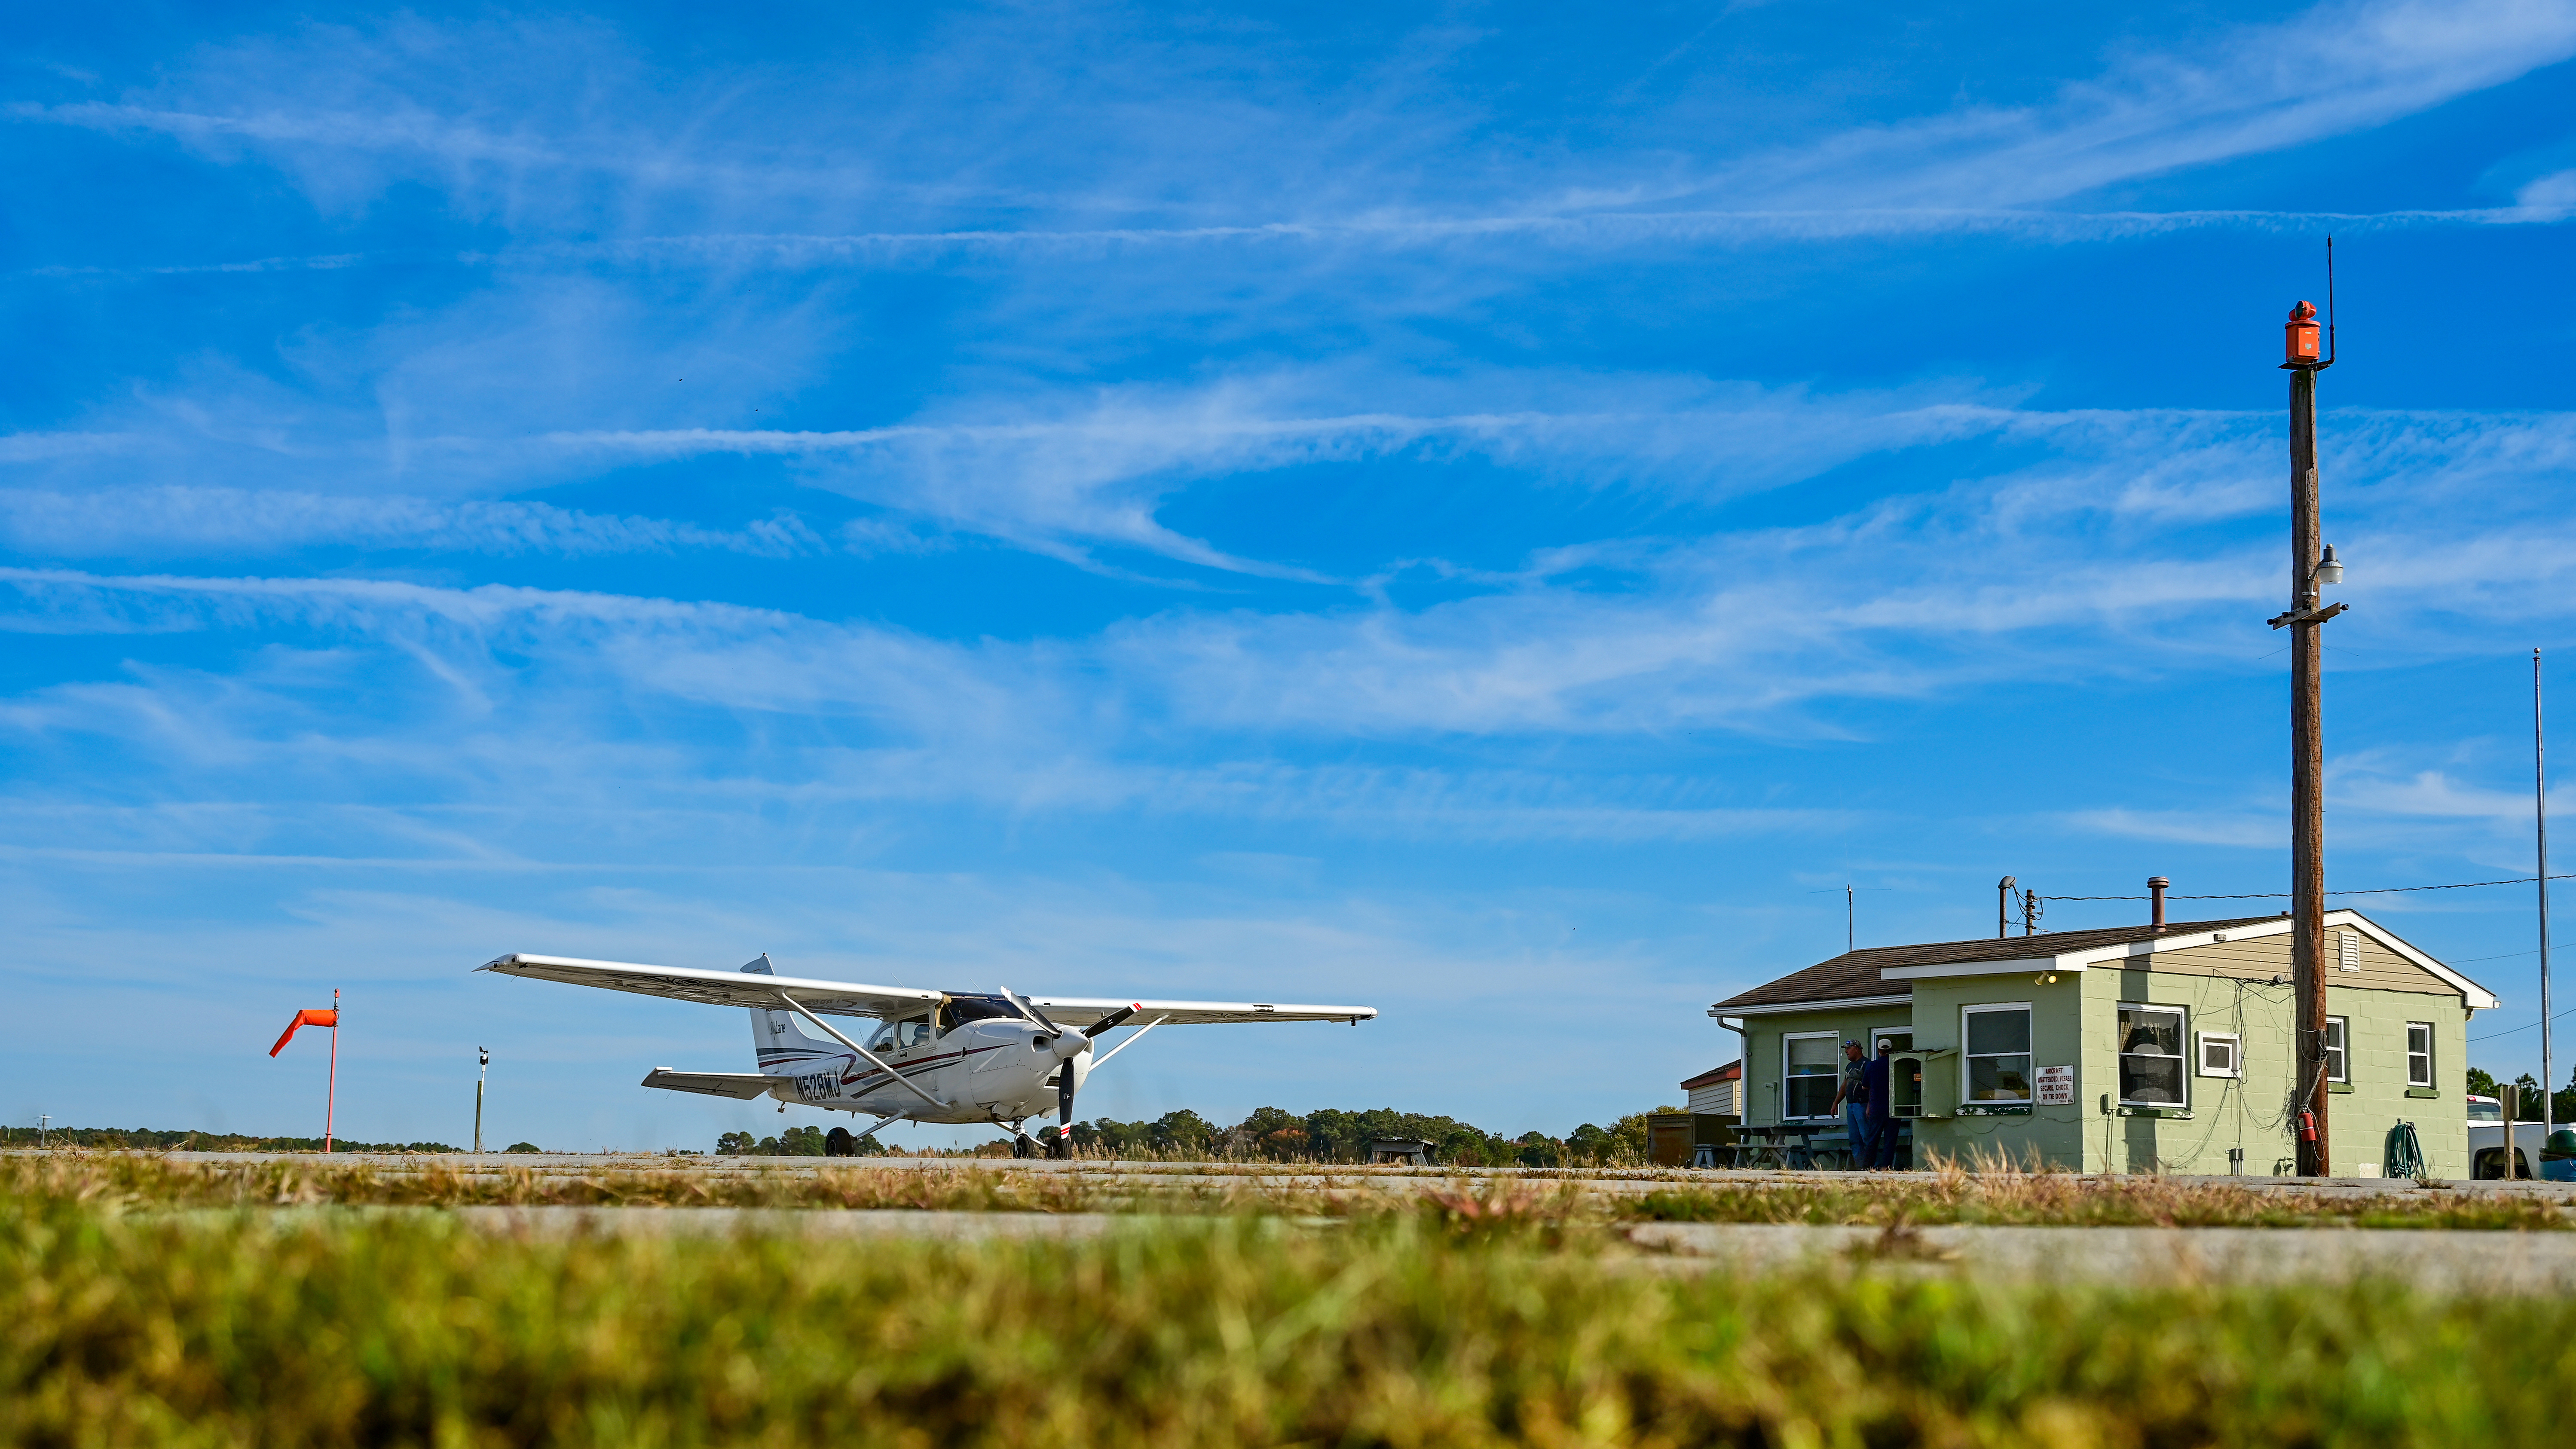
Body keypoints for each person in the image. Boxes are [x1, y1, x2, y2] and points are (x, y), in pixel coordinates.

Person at [1829, 1039, 1869, 1169]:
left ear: (1857, 1048)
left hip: (1863, 1105)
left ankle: (1872, 1166)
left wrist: (1870, 1105)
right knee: (1854, 1140)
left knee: (1866, 1137)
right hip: (1851, 1106)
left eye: (1849, 1048)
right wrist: (1836, 1103)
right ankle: (1861, 1166)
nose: (1846, 1051)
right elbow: (1845, 1086)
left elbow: (1873, 1087)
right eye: (1845, 1048)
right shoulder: (1849, 1067)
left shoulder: (1867, 1064)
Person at [1862, 1040, 1900, 1169]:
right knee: (1890, 1140)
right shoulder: (1897, 1065)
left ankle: (1868, 1166)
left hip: (1877, 1108)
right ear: (1891, 1050)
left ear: (1879, 1051)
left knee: (1872, 1139)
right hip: (1894, 1108)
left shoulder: (1872, 1066)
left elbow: (1865, 1087)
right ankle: (1886, 1167)